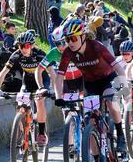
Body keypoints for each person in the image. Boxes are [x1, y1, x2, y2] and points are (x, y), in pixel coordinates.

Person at [54, 19, 128, 152]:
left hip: (108, 79)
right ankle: (96, 160)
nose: (70, 42)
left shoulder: (96, 47)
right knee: (90, 122)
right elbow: (59, 77)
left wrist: (124, 85)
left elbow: (118, 68)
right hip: (90, 84)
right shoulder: (68, 53)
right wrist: (58, 96)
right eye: (67, 39)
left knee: (110, 100)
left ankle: (121, 134)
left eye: (73, 38)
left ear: (83, 36)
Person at [0, 30, 50, 145]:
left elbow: (51, 72)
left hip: (42, 80)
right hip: (28, 81)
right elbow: (4, 71)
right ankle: (21, 132)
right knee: (20, 105)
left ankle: (41, 133)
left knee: (39, 101)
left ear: (32, 45)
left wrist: (49, 89)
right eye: (21, 46)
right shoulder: (17, 54)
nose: (24, 49)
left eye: (27, 46)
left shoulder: (39, 54)